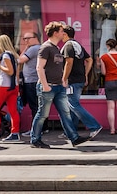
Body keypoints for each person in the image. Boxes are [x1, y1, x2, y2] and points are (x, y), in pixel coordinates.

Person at [29, 21, 88, 149]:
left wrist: (62, 81)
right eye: (61, 31)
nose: (63, 33)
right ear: (55, 33)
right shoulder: (46, 47)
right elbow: (39, 67)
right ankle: (35, 139)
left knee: (65, 113)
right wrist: (45, 86)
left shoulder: (55, 48)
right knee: (42, 114)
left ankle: (74, 137)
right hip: (48, 87)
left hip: (58, 87)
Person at [61, 25, 103, 140]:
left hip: (72, 80)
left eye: (61, 33)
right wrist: (85, 74)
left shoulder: (68, 46)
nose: (60, 36)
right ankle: (71, 132)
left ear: (65, 34)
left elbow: (68, 63)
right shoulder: (77, 44)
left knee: (74, 105)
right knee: (72, 106)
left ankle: (94, 126)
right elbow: (89, 60)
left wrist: (64, 78)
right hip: (79, 80)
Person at [98, 37, 117, 134]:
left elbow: (103, 72)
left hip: (109, 82)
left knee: (110, 108)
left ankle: (112, 130)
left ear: (107, 46)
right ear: (116, 45)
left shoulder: (104, 57)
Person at [17, 32, 41, 121]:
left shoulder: (33, 49)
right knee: (39, 105)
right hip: (36, 80)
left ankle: (36, 129)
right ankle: (43, 128)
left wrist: (26, 48)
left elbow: (20, 60)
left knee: (34, 105)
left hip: (31, 81)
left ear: (35, 38)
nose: (26, 41)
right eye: (24, 39)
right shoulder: (39, 48)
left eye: (28, 38)